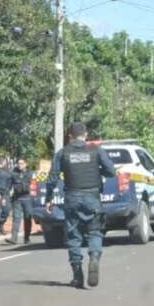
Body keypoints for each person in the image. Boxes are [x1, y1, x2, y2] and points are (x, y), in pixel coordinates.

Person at [46, 122, 116, 289]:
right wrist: (99, 171)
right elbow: (111, 171)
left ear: (70, 136)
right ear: (85, 135)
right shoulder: (96, 151)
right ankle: (94, 257)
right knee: (95, 232)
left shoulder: (62, 153)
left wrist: (49, 199)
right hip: (92, 197)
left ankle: (77, 275)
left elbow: (52, 179)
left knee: (73, 236)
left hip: (72, 198)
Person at [7, 158, 34, 245]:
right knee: (16, 218)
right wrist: (6, 195)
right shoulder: (13, 173)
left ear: (25, 164)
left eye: (21, 163)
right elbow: (9, 185)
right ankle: (13, 238)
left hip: (27, 198)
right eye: (18, 163)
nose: (20, 165)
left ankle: (26, 238)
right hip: (17, 199)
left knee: (27, 218)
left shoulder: (30, 173)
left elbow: (34, 185)